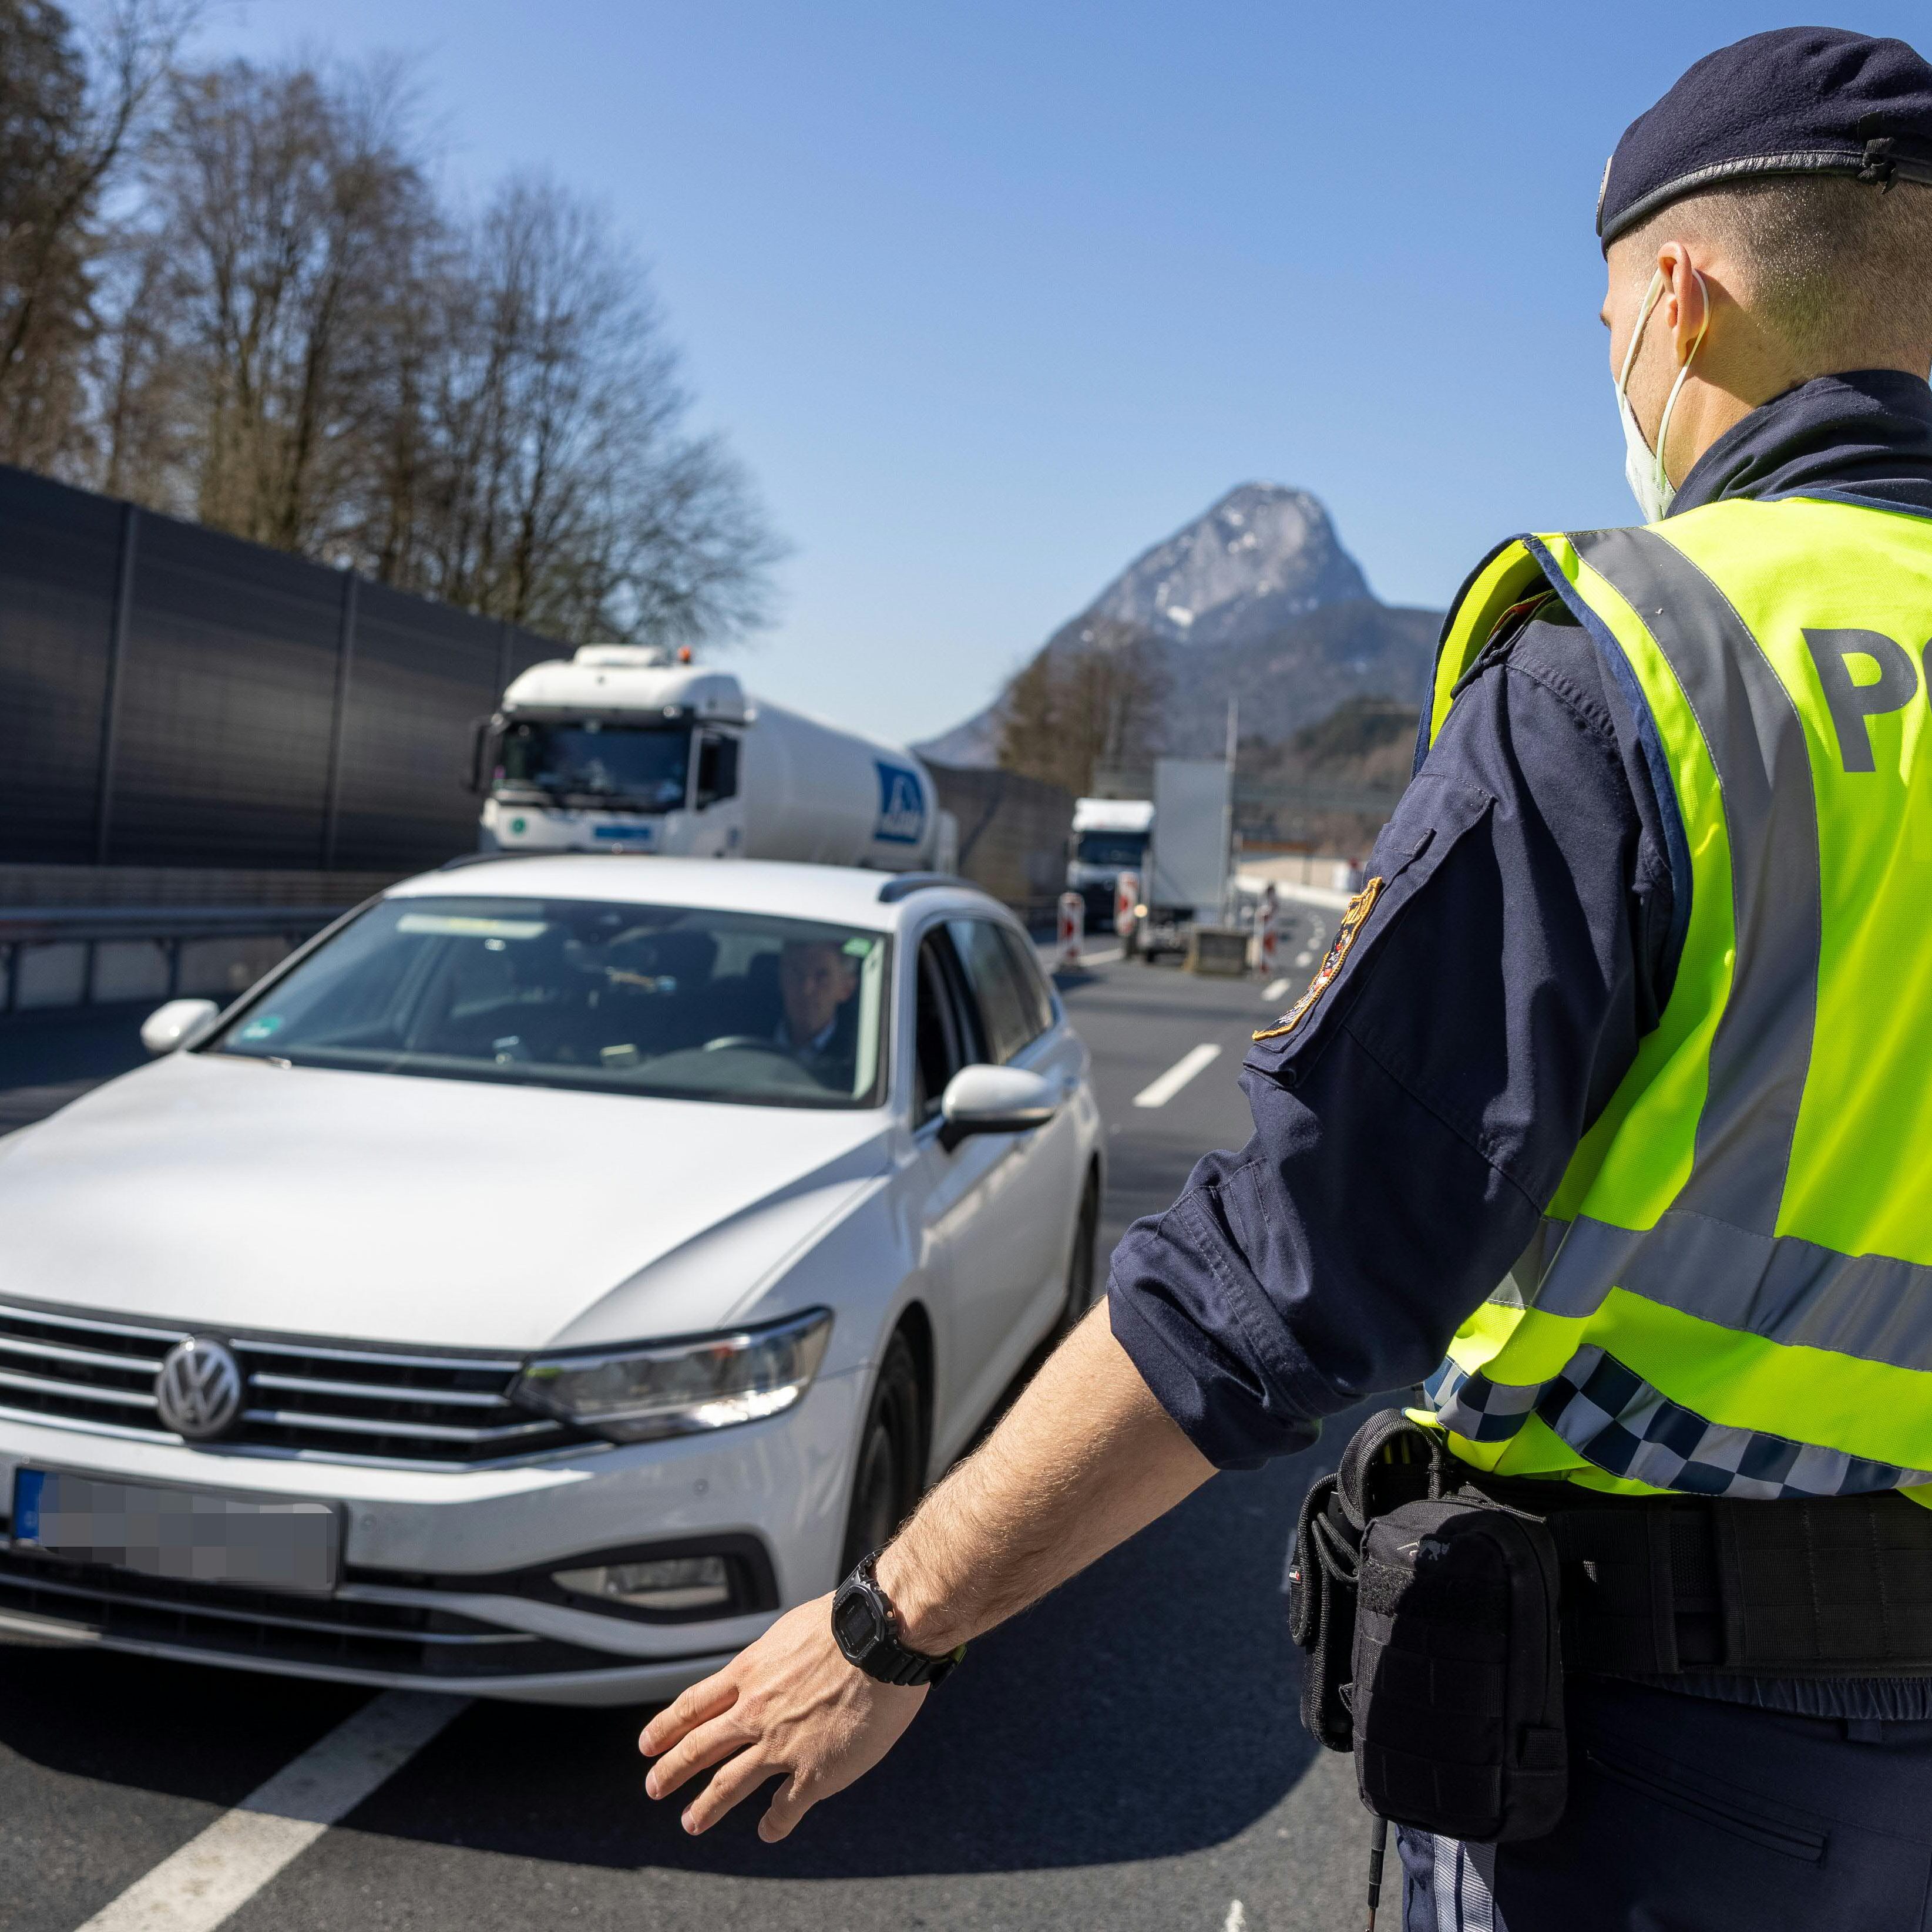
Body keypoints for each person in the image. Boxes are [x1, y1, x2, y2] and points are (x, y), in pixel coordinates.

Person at [641, 28, 1932, 1927]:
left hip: (1667, 1783)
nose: (1620, 384)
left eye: (1600, 336)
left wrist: (890, 1615)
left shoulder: (1641, 668)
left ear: (1675, 299)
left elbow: (1285, 1262)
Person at [772, 938, 859, 1087]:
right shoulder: (739, 1033)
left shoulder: (862, 1061)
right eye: (796, 973)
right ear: (782, 978)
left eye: (822, 977)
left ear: (846, 989)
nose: (806, 990)